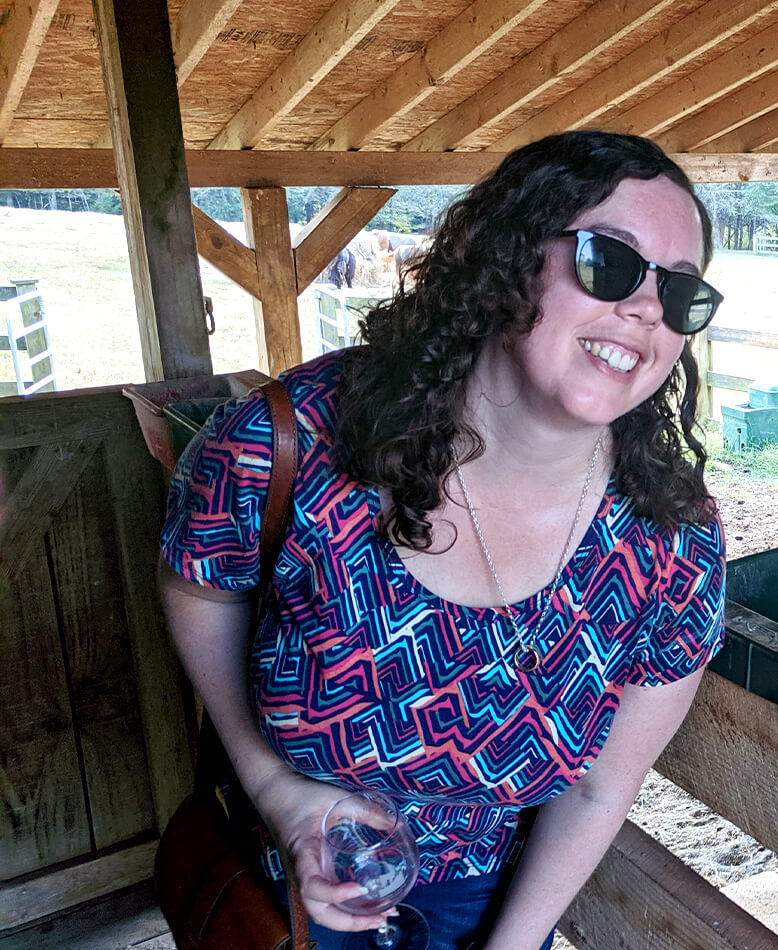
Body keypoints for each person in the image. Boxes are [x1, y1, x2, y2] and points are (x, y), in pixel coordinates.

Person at [159, 130, 727, 950]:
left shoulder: (671, 543)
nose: (646, 308)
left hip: (492, 900)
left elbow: (601, 791)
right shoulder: (290, 444)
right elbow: (198, 584)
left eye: (680, 295)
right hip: (279, 882)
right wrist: (275, 788)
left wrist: (511, 944)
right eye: (611, 263)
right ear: (507, 258)